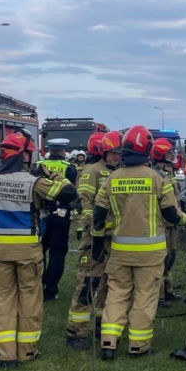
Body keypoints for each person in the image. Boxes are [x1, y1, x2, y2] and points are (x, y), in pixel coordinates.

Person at [97, 126, 186, 359]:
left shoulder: (112, 178)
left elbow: (99, 215)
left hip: (120, 252)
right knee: (145, 296)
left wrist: (97, 239)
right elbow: (173, 215)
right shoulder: (157, 178)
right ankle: (138, 346)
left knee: (117, 294)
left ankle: (109, 343)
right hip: (150, 254)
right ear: (148, 150)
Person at [0, 131, 76, 370]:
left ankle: (4, 354)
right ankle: (27, 351)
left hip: (1, 249)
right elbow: (68, 193)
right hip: (27, 249)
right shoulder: (34, 181)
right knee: (29, 299)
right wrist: (53, 175)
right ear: (25, 154)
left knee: (2, 300)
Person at [64, 131, 119, 349]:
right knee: (88, 283)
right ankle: (76, 332)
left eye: (119, 153)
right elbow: (83, 204)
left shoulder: (118, 173)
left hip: (113, 240)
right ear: (103, 152)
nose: (116, 157)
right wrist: (94, 226)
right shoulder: (91, 172)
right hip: (94, 240)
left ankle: (99, 324)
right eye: (113, 153)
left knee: (107, 283)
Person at [37, 138, 78, 301]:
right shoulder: (69, 168)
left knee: (38, 252)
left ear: (50, 149)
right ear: (63, 150)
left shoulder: (38, 164)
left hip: (40, 213)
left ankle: (37, 284)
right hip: (61, 214)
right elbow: (72, 192)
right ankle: (50, 289)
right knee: (57, 253)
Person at [150, 137, 180, 304]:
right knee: (162, 259)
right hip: (162, 222)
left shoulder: (170, 171)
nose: (171, 155)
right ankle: (159, 296)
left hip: (173, 222)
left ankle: (169, 290)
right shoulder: (156, 174)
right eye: (168, 153)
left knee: (171, 257)